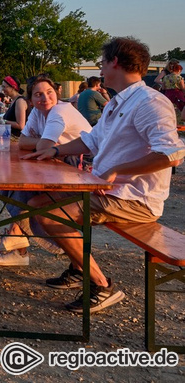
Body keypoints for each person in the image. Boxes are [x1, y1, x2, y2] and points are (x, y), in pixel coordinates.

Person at [23, 37, 185, 313]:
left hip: (134, 198)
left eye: (102, 63)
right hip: (106, 189)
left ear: (115, 62)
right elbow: (91, 141)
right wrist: (56, 151)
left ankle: (101, 285)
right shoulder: (117, 102)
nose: (100, 69)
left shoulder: (149, 102)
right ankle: (78, 268)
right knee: (39, 200)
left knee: (48, 211)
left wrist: (116, 170)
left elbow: (172, 155)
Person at [0, 76, 91, 267]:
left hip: (83, 168)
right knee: (9, 186)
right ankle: (18, 242)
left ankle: (19, 239)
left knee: (24, 191)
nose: (45, 98)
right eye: (38, 95)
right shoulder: (37, 113)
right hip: (58, 162)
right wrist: (44, 146)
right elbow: (23, 142)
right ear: (31, 100)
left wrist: (44, 145)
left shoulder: (60, 110)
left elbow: (44, 146)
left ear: (57, 94)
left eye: (49, 93)